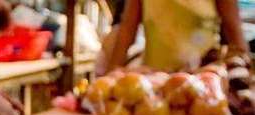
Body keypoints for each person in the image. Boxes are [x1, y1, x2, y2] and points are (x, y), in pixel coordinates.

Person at [106, 0, 248, 74]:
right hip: (157, 84)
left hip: (202, 83)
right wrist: (111, 74)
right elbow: (127, 30)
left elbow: (235, 32)